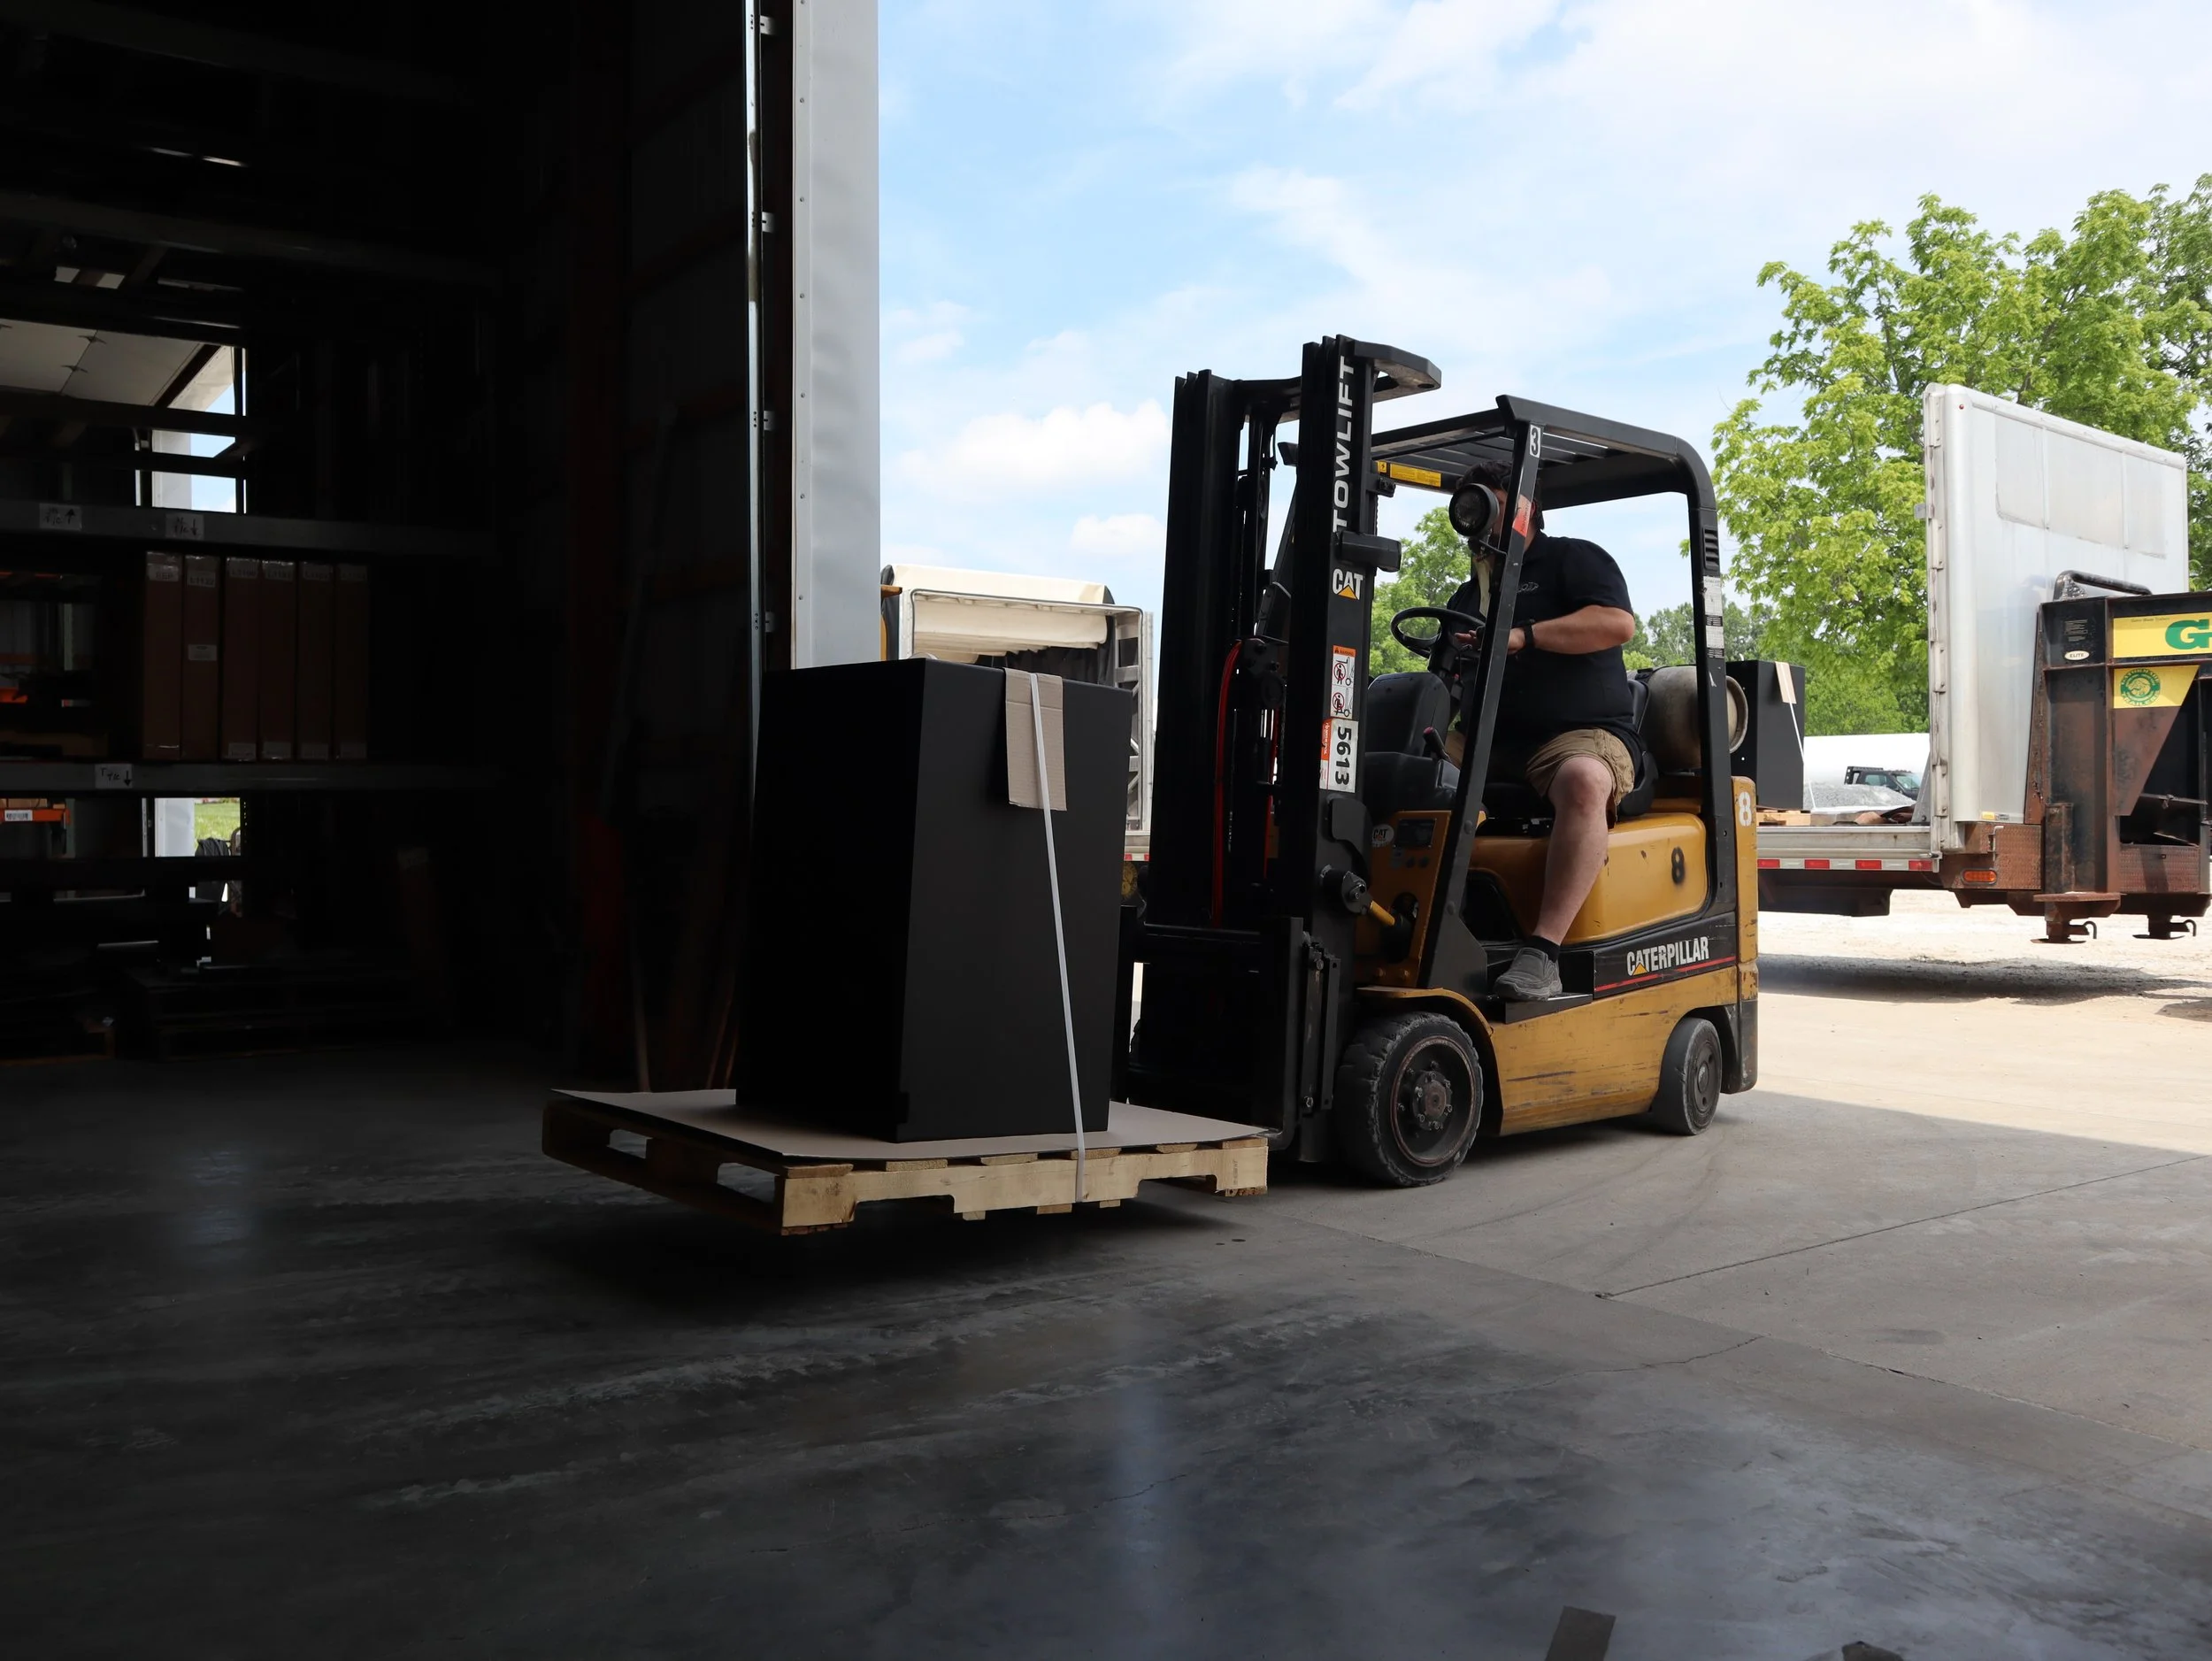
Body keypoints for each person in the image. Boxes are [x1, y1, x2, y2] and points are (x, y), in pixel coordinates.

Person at [1440, 466, 1639, 1001]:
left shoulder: (1572, 559)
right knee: (1399, 765)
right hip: (1488, 741)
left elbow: (1618, 624)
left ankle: (1543, 952)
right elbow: (1441, 673)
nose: (1482, 518)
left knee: (1583, 781)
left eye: (1493, 505)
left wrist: (1524, 636)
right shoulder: (1470, 593)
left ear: (1525, 510)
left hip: (1575, 735)